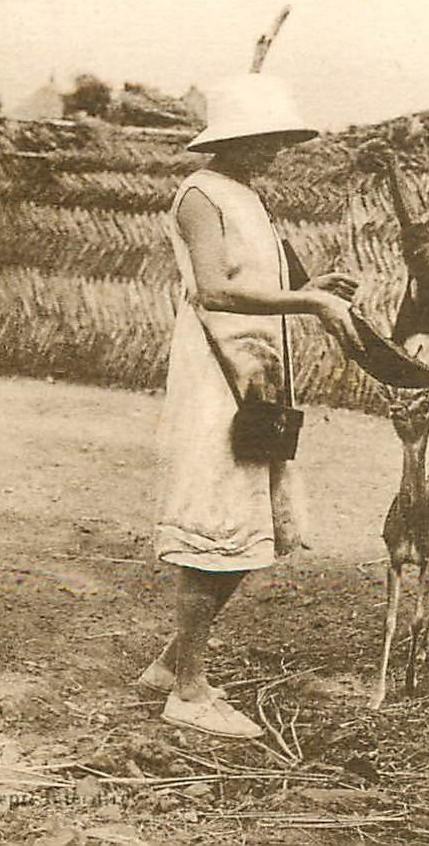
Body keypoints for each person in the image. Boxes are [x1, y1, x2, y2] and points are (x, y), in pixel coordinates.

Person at [136, 72, 362, 739]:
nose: (273, 150)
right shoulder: (200, 196)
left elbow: (258, 280)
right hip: (217, 378)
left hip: (257, 375)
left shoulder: (246, 196)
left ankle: (172, 664)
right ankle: (189, 691)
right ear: (227, 140)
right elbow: (214, 293)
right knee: (216, 521)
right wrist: (312, 303)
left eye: (279, 139)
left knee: (249, 523)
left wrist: (312, 286)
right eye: (260, 138)